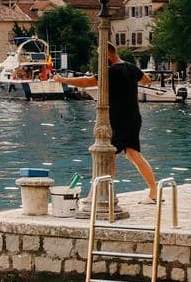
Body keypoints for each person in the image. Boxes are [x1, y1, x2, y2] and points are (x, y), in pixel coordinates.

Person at [62, 45, 159, 202]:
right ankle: (153, 192)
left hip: (118, 119)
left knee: (108, 156)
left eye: (101, 56)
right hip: (134, 117)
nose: (100, 60)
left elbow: (87, 82)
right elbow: (147, 80)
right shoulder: (130, 67)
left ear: (107, 55)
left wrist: (63, 79)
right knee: (132, 154)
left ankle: (102, 195)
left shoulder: (111, 72)